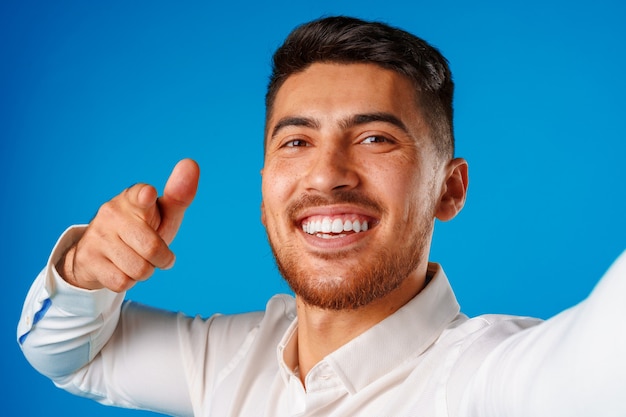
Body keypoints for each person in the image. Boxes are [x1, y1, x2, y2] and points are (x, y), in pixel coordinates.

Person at [17, 15, 625, 417]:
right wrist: (85, 272)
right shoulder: (229, 361)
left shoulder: (487, 381)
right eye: (296, 142)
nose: (327, 173)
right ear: (264, 190)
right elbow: (64, 354)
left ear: (450, 187)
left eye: (376, 138)